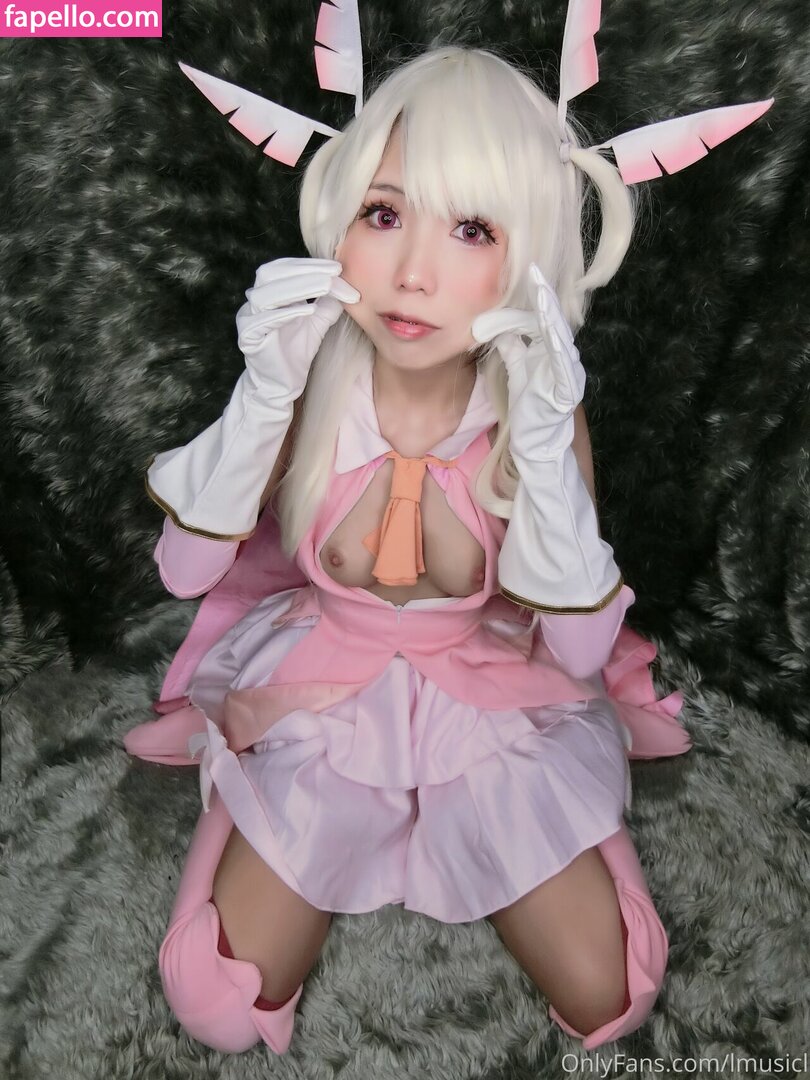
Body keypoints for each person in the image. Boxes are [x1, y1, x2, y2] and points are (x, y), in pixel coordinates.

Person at [124, 35, 767, 1055]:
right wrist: (260, 395)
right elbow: (186, 571)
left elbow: (579, 650)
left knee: (611, 996)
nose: (413, 273)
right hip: (324, 689)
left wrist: (546, 453)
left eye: (471, 229)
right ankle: (243, 800)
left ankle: (533, 830)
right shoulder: (306, 376)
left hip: (486, 695)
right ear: (343, 220)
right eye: (384, 215)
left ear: (529, 252)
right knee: (217, 1004)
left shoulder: (536, 411)